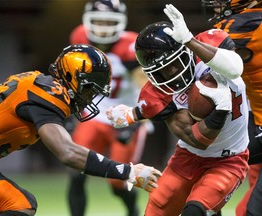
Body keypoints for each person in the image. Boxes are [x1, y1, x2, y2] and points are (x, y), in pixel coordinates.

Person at [0, 44, 162, 216]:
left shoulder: (39, 85)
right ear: (71, 77)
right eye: (89, 90)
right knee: (19, 203)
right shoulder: (48, 93)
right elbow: (68, 153)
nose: (89, 98)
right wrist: (128, 172)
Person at [106, 4, 249, 216]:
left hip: (228, 160)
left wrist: (190, 41)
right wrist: (220, 111)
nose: (170, 73)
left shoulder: (208, 43)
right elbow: (197, 139)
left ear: (185, 50)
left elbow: (235, 67)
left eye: (173, 63)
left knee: (194, 211)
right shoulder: (156, 95)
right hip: (188, 157)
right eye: (160, 71)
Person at [67, 1, 153, 216]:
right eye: (98, 21)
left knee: (118, 182)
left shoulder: (131, 46)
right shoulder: (79, 37)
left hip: (125, 117)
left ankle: (133, 211)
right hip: (93, 116)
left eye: (109, 22)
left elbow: (147, 91)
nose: (103, 27)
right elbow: (73, 78)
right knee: (76, 172)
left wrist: (136, 124)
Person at [200, 1, 262, 215]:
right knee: (201, 161)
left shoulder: (246, 24)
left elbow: (203, 58)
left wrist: (182, 41)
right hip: (257, 121)